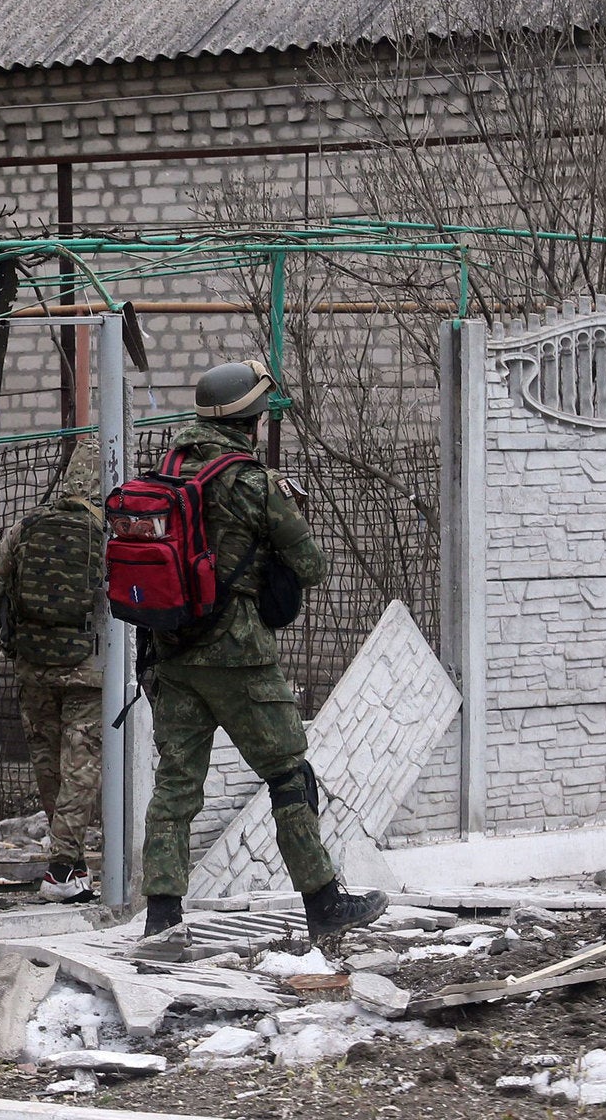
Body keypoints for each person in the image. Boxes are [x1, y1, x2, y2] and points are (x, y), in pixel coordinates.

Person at [138, 361, 387, 942]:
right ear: (251, 418)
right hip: (240, 658)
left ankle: (161, 918)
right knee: (289, 776)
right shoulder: (252, 483)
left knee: (175, 786)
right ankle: (324, 904)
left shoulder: (167, 471)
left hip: (172, 651)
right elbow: (312, 567)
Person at [0, 436, 106, 902]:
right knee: (80, 768)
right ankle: (64, 868)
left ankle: (71, 864)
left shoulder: (25, 527)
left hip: (31, 664)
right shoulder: (109, 533)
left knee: (48, 765)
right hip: (86, 665)